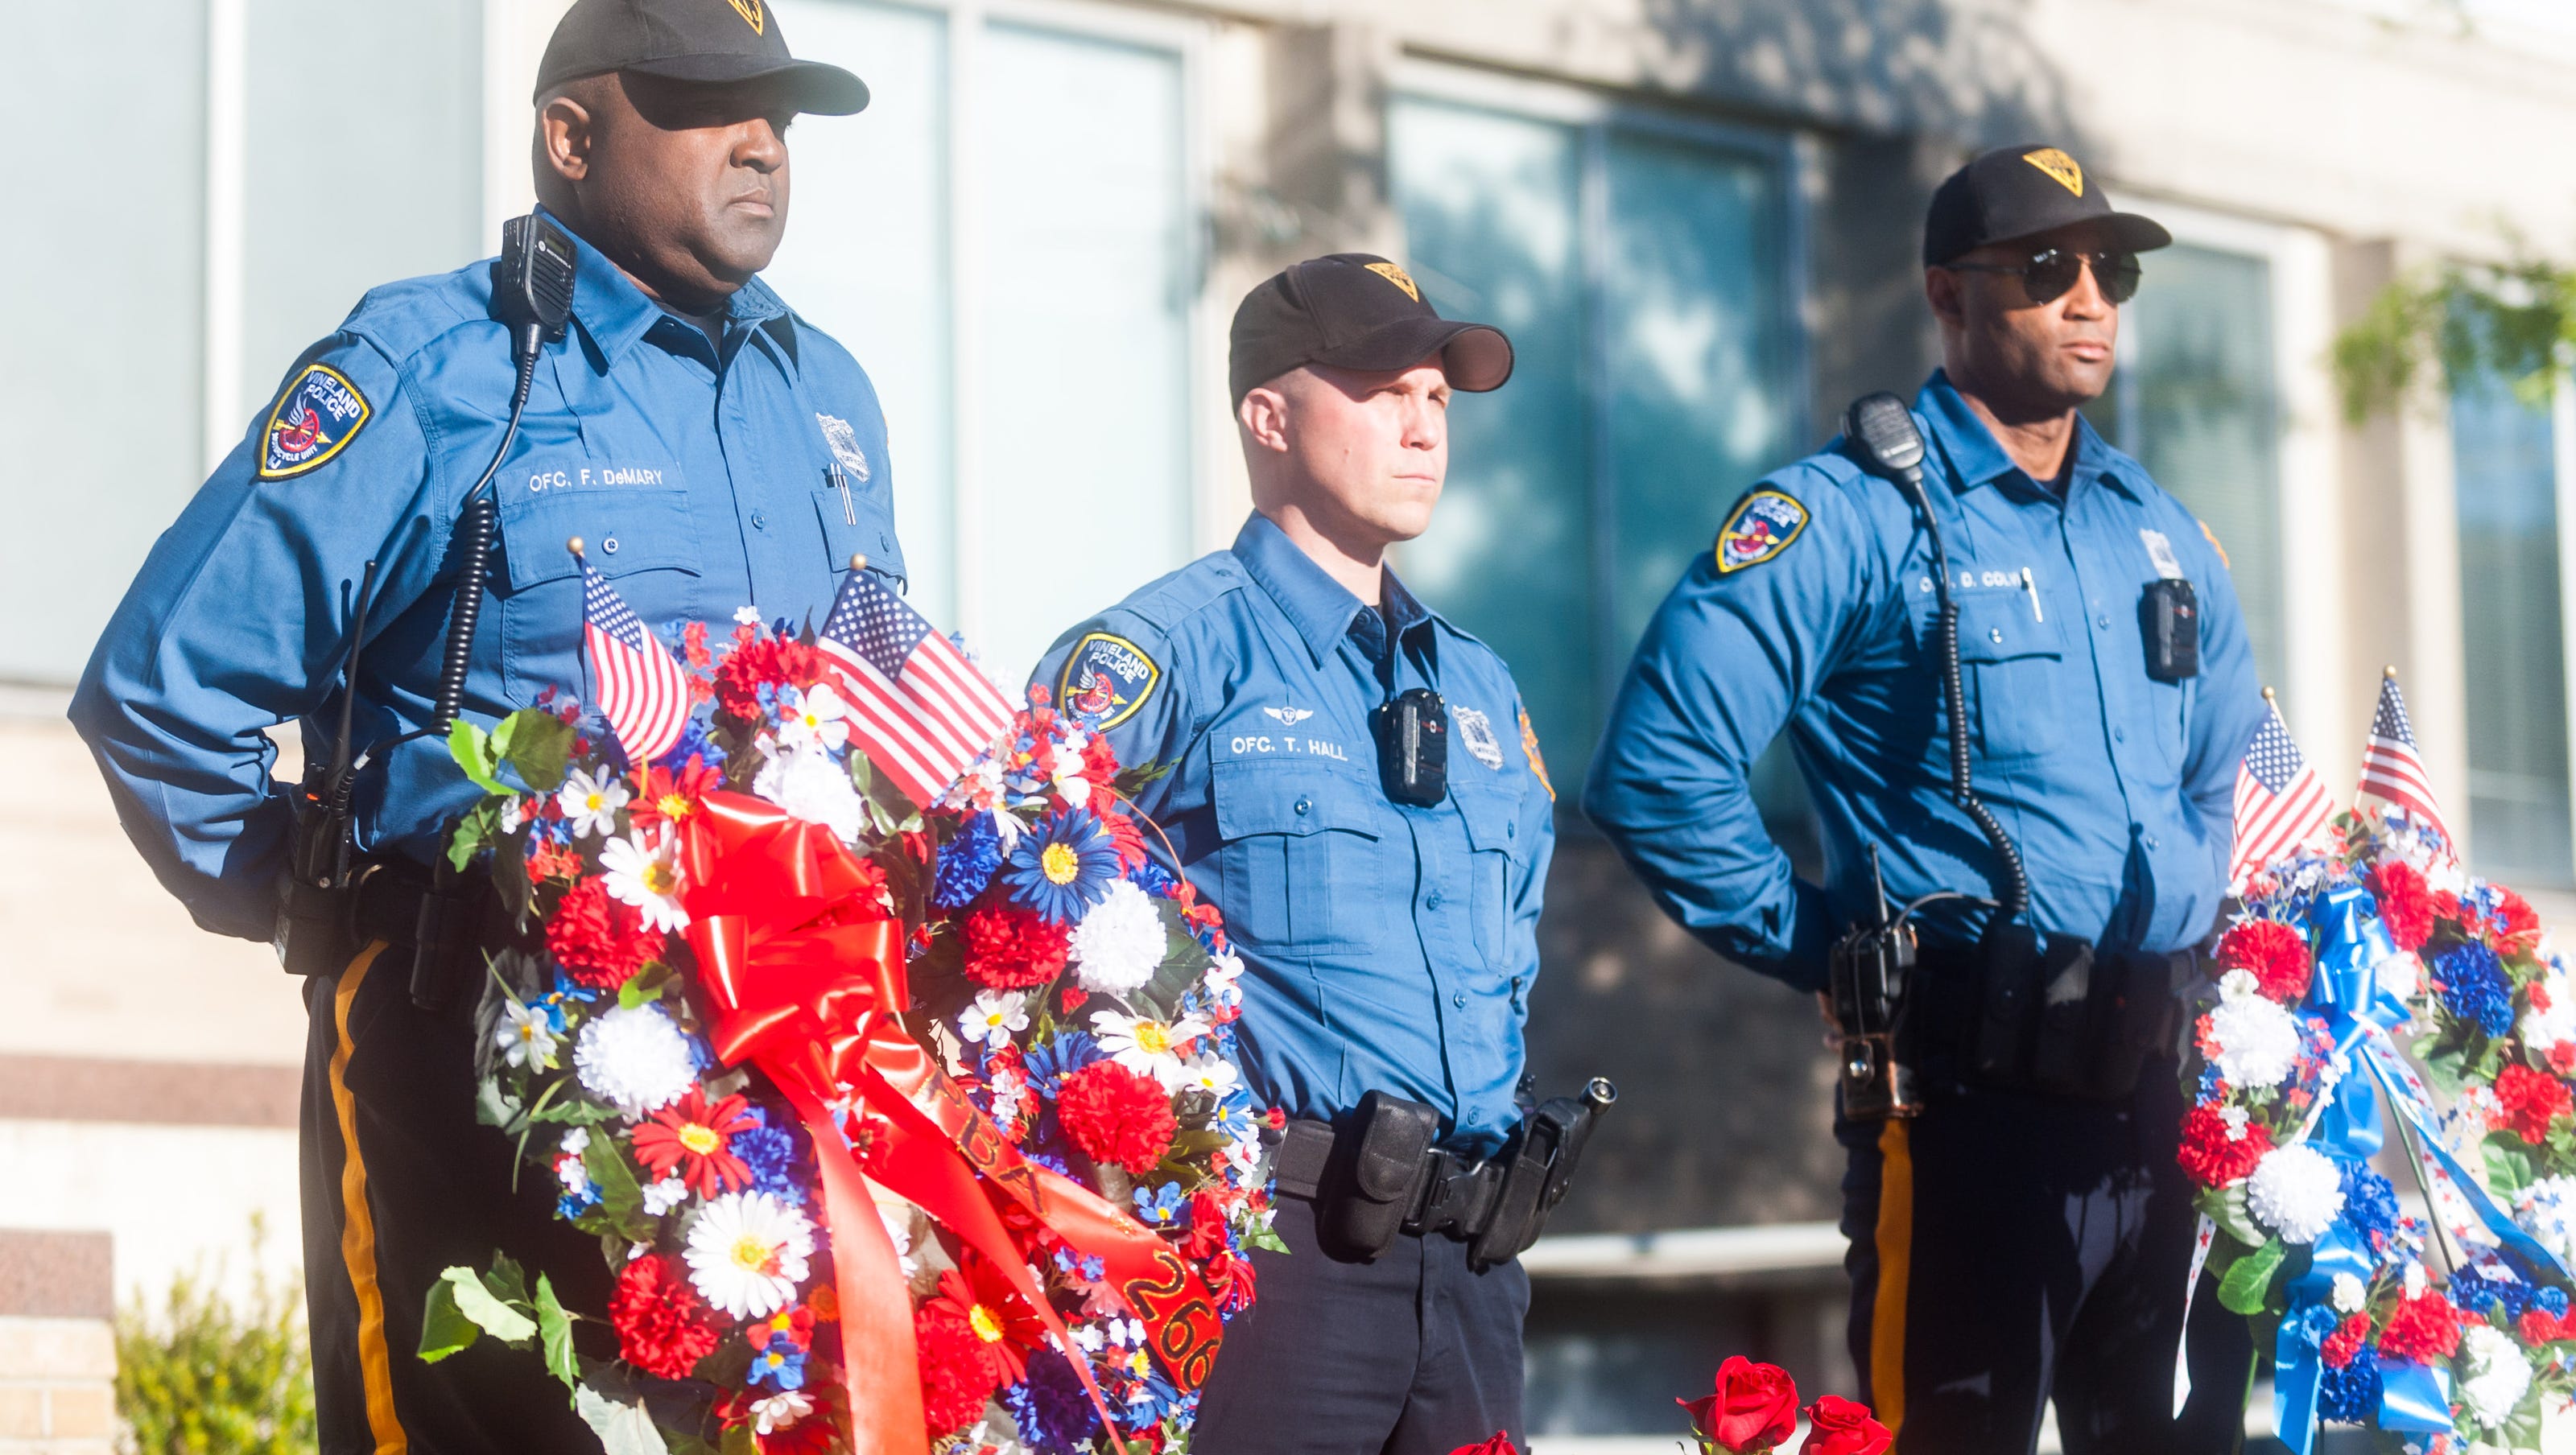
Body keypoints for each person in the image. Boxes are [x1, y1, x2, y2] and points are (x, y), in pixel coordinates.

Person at [70, 2, 899, 1449]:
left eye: (779, 108)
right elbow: (163, 690)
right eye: (709, 103)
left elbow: (878, 700)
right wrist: (341, 911)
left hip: (765, 1074)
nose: (763, 141)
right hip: (464, 1058)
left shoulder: (821, 390)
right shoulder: (434, 362)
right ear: (569, 136)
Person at [1584, 145, 2267, 1454]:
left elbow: (2222, 777)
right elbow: (1660, 769)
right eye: (2047, 268)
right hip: (1967, 1115)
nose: (2091, 299)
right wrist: (1839, 952)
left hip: (2165, 1119)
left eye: (2111, 269)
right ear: (1949, 296)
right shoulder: (1847, 515)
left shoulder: (2162, 528)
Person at [1030, 254, 1558, 1454]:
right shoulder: (1165, 654)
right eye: (1383, 392)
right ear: (1268, 416)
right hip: (1278, 1263)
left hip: (1477, 1265)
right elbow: (1012, 894)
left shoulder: (1477, 680)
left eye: (1438, 398)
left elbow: (1515, 932)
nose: (1424, 429)